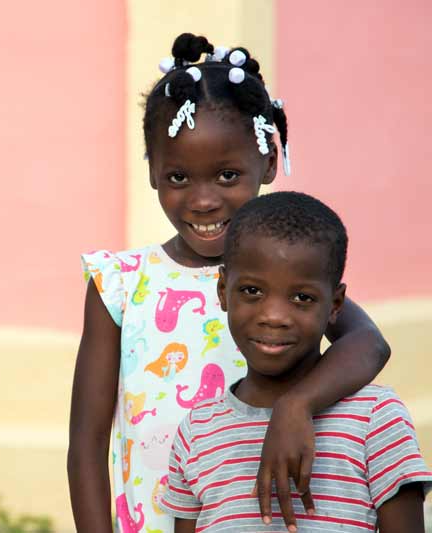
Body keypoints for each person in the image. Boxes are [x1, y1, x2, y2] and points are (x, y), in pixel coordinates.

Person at [67, 33, 391, 533]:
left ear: (266, 163)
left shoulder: (285, 274)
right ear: (152, 169)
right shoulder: (118, 284)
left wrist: (296, 405)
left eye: (226, 175)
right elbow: (87, 445)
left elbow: (369, 344)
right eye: (178, 178)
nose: (202, 201)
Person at [159, 191, 432, 532]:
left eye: (302, 298)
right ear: (222, 290)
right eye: (252, 291)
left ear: (335, 305)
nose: (274, 316)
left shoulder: (376, 418)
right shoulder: (197, 432)